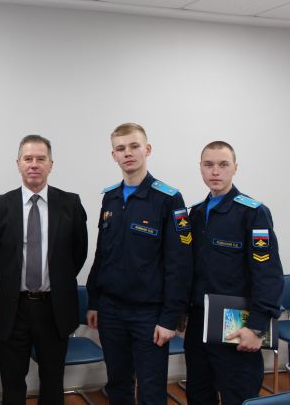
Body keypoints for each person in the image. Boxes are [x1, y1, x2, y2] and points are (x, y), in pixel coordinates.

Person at [86, 122, 192, 405]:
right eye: (121, 148)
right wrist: (94, 301)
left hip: (149, 313)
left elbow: (179, 264)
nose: (128, 153)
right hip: (110, 310)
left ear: (147, 149)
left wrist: (170, 318)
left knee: (150, 389)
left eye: (134, 146)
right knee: (117, 384)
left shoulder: (168, 199)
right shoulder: (110, 197)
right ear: (114, 155)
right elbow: (102, 254)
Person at [0, 134, 88, 405]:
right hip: (14, 307)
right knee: (12, 380)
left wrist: (57, 279)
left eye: (41, 159)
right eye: (28, 158)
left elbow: (78, 254)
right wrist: (12, 280)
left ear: (51, 164)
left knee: (53, 379)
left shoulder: (70, 204)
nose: (34, 164)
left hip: (54, 307)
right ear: (18, 163)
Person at [184, 141, 283, 405]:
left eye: (223, 164)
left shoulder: (253, 213)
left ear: (235, 168)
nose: (215, 171)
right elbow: (188, 270)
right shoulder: (195, 214)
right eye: (209, 165)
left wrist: (257, 327)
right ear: (200, 168)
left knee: (238, 396)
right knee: (198, 394)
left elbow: (268, 274)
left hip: (237, 324)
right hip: (198, 323)